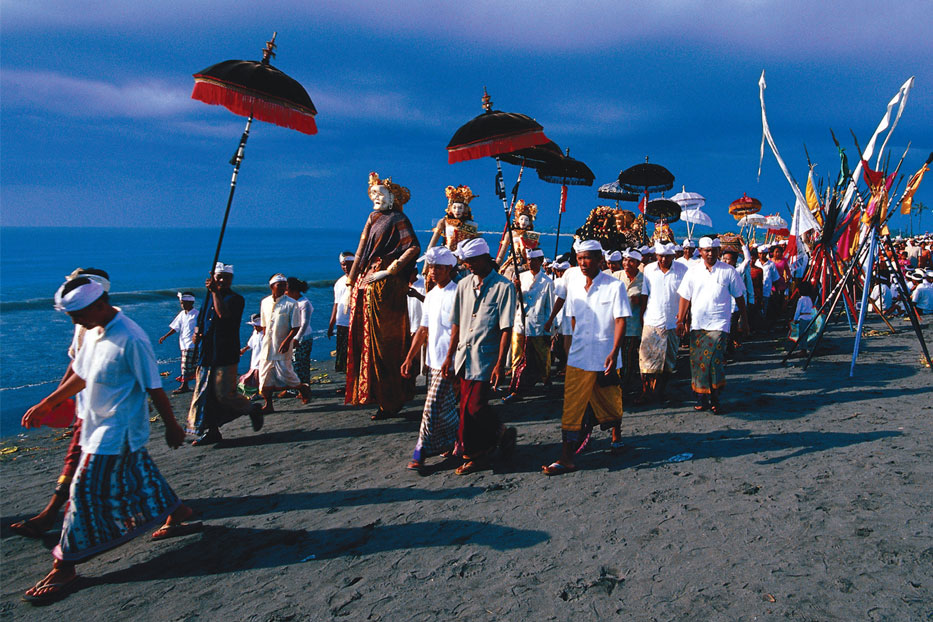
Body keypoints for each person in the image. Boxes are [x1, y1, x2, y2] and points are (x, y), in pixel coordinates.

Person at [20, 277, 199, 604]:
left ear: (100, 304)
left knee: (82, 490)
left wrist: (172, 426)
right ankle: (179, 511)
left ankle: (65, 565)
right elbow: (81, 374)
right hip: (94, 423)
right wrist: (49, 402)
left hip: (119, 430)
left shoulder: (131, 338)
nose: (75, 321)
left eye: (79, 313)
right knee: (142, 475)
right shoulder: (94, 332)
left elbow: (154, 386)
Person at [10, 268, 111, 540]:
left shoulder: (105, 329)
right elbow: (76, 364)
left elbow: (87, 371)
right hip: (89, 408)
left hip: (102, 411)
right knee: (120, 470)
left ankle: (53, 514)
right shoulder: (84, 324)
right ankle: (175, 512)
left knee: (78, 462)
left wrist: (51, 401)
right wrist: (57, 396)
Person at [542, 240, 630, 475]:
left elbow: (621, 320)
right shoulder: (574, 287)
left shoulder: (614, 286)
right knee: (571, 407)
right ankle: (566, 458)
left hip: (605, 356)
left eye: (588, 258)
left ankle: (616, 435)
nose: (583, 263)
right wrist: (571, 349)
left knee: (612, 402)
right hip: (579, 359)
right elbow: (572, 320)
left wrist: (614, 351)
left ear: (600, 260)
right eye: (579, 258)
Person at [345, 172, 420, 420]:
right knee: (366, 342)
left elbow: (413, 247)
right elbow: (360, 251)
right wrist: (350, 281)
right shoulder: (373, 217)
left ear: (392, 197)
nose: (376, 197)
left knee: (385, 344)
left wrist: (389, 271)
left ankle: (391, 399)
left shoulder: (398, 218)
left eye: (381, 194)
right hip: (366, 284)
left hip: (386, 287)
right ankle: (375, 393)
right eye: (373, 194)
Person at [441, 238, 517, 475]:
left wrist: (500, 364)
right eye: (466, 262)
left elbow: (506, 328)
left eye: (473, 261)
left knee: (473, 406)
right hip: (464, 356)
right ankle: (489, 440)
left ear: (486, 259)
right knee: (465, 405)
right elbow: (456, 323)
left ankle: (478, 451)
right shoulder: (463, 285)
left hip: (486, 357)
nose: (469, 265)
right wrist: (449, 356)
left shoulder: (504, 287)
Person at [188, 262, 261, 445]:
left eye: (225, 278)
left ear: (231, 280)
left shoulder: (236, 299)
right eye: (218, 277)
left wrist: (214, 292)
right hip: (206, 354)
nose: (221, 280)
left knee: (223, 394)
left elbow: (223, 315)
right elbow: (201, 320)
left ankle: (251, 409)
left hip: (225, 355)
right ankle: (212, 431)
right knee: (204, 394)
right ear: (213, 277)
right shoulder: (207, 299)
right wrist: (197, 333)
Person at [401, 247, 460, 471]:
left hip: (449, 360)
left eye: (437, 267)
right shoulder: (432, 294)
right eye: (431, 267)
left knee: (431, 406)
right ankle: (457, 440)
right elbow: (423, 329)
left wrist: (449, 358)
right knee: (446, 407)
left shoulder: (456, 293)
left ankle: (421, 450)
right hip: (432, 361)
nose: (432, 271)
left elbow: (457, 329)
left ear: (448, 269)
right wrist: (410, 358)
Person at [676, 237, 749, 413]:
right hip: (698, 325)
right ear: (700, 252)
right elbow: (685, 297)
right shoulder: (692, 272)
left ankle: (715, 398)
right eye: (706, 250)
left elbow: (739, 297)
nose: (710, 253)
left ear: (719, 252)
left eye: (713, 250)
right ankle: (702, 398)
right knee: (698, 362)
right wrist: (680, 320)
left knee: (714, 361)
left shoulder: (729, 271)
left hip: (720, 324)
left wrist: (744, 320)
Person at [638, 242, 688, 403]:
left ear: (673, 256)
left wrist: (684, 319)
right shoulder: (648, 270)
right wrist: (641, 316)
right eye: (660, 256)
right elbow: (645, 294)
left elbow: (686, 297)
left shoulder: (682, 270)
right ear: (656, 256)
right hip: (652, 319)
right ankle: (646, 391)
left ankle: (660, 391)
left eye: (667, 256)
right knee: (646, 360)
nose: (663, 259)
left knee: (668, 360)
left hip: (673, 321)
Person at [505, 248, 555, 402]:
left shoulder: (547, 282)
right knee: (517, 356)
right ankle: (515, 385)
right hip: (520, 322)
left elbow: (550, 306)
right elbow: (514, 299)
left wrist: (550, 327)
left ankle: (546, 379)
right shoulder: (521, 277)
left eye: (534, 260)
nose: (530, 263)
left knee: (542, 356)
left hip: (538, 325)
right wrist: (515, 287)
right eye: (528, 260)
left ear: (540, 261)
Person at [259, 274, 312, 413]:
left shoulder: (291, 304)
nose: (283, 287)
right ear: (272, 287)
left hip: (283, 346)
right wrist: (264, 340)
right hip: (267, 347)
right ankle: (268, 404)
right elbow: (264, 325)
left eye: (284, 285)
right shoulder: (264, 302)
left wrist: (287, 341)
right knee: (264, 377)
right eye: (279, 285)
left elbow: (296, 326)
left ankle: (302, 388)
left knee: (286, 374)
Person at [613, 249, 646, 395]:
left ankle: (624, 387)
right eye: (625, 260)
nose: (627, 263)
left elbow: (649, 301)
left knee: (627, 356)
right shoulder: (616, 277)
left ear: (638, 263)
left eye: (631, 261)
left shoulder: (644, 280)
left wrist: (640, 301)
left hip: (633, 326)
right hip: (614, 325)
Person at [158, 292, 198, 394]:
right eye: (181, 303)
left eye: (184, 303)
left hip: (192, 344)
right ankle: (191, 385)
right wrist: (165, 336)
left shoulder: (196, 314)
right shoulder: (182, 314)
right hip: (183, 343)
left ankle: (184, 386)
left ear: (191, 303)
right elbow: (176, 327)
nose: (182, 305)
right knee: (190, 365)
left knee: (186, 365)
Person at [328, 251, 355, 394]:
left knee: (354, 355)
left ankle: (355, 384)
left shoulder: (359, 280)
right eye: (343, 265)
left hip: (354, 323)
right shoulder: (339, 283)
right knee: (344, 355)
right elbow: (336, 304)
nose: (345, 267)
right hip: (342, 324)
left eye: (348, 264)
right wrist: (331, 324)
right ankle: (348, 384)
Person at [285, 277, 314, 390]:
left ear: (294, 291)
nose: (285, 293)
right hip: (293, 337)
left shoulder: (304, 303)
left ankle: (302, 388)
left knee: (300, 363)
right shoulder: (292, 302)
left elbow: (304, 323)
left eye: (287, 290)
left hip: (303, 337)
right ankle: (294, 387)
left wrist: (297, 338)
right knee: (292, 363)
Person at [237, 313, 264, 396]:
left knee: (257, 378)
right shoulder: (255, 332)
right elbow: (251, 343)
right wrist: (244, 350)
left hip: (262, 360)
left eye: (257, 326)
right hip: (255, 360)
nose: (255, 327)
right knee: (253, 379)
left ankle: (257, 393)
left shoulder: (266, 334)